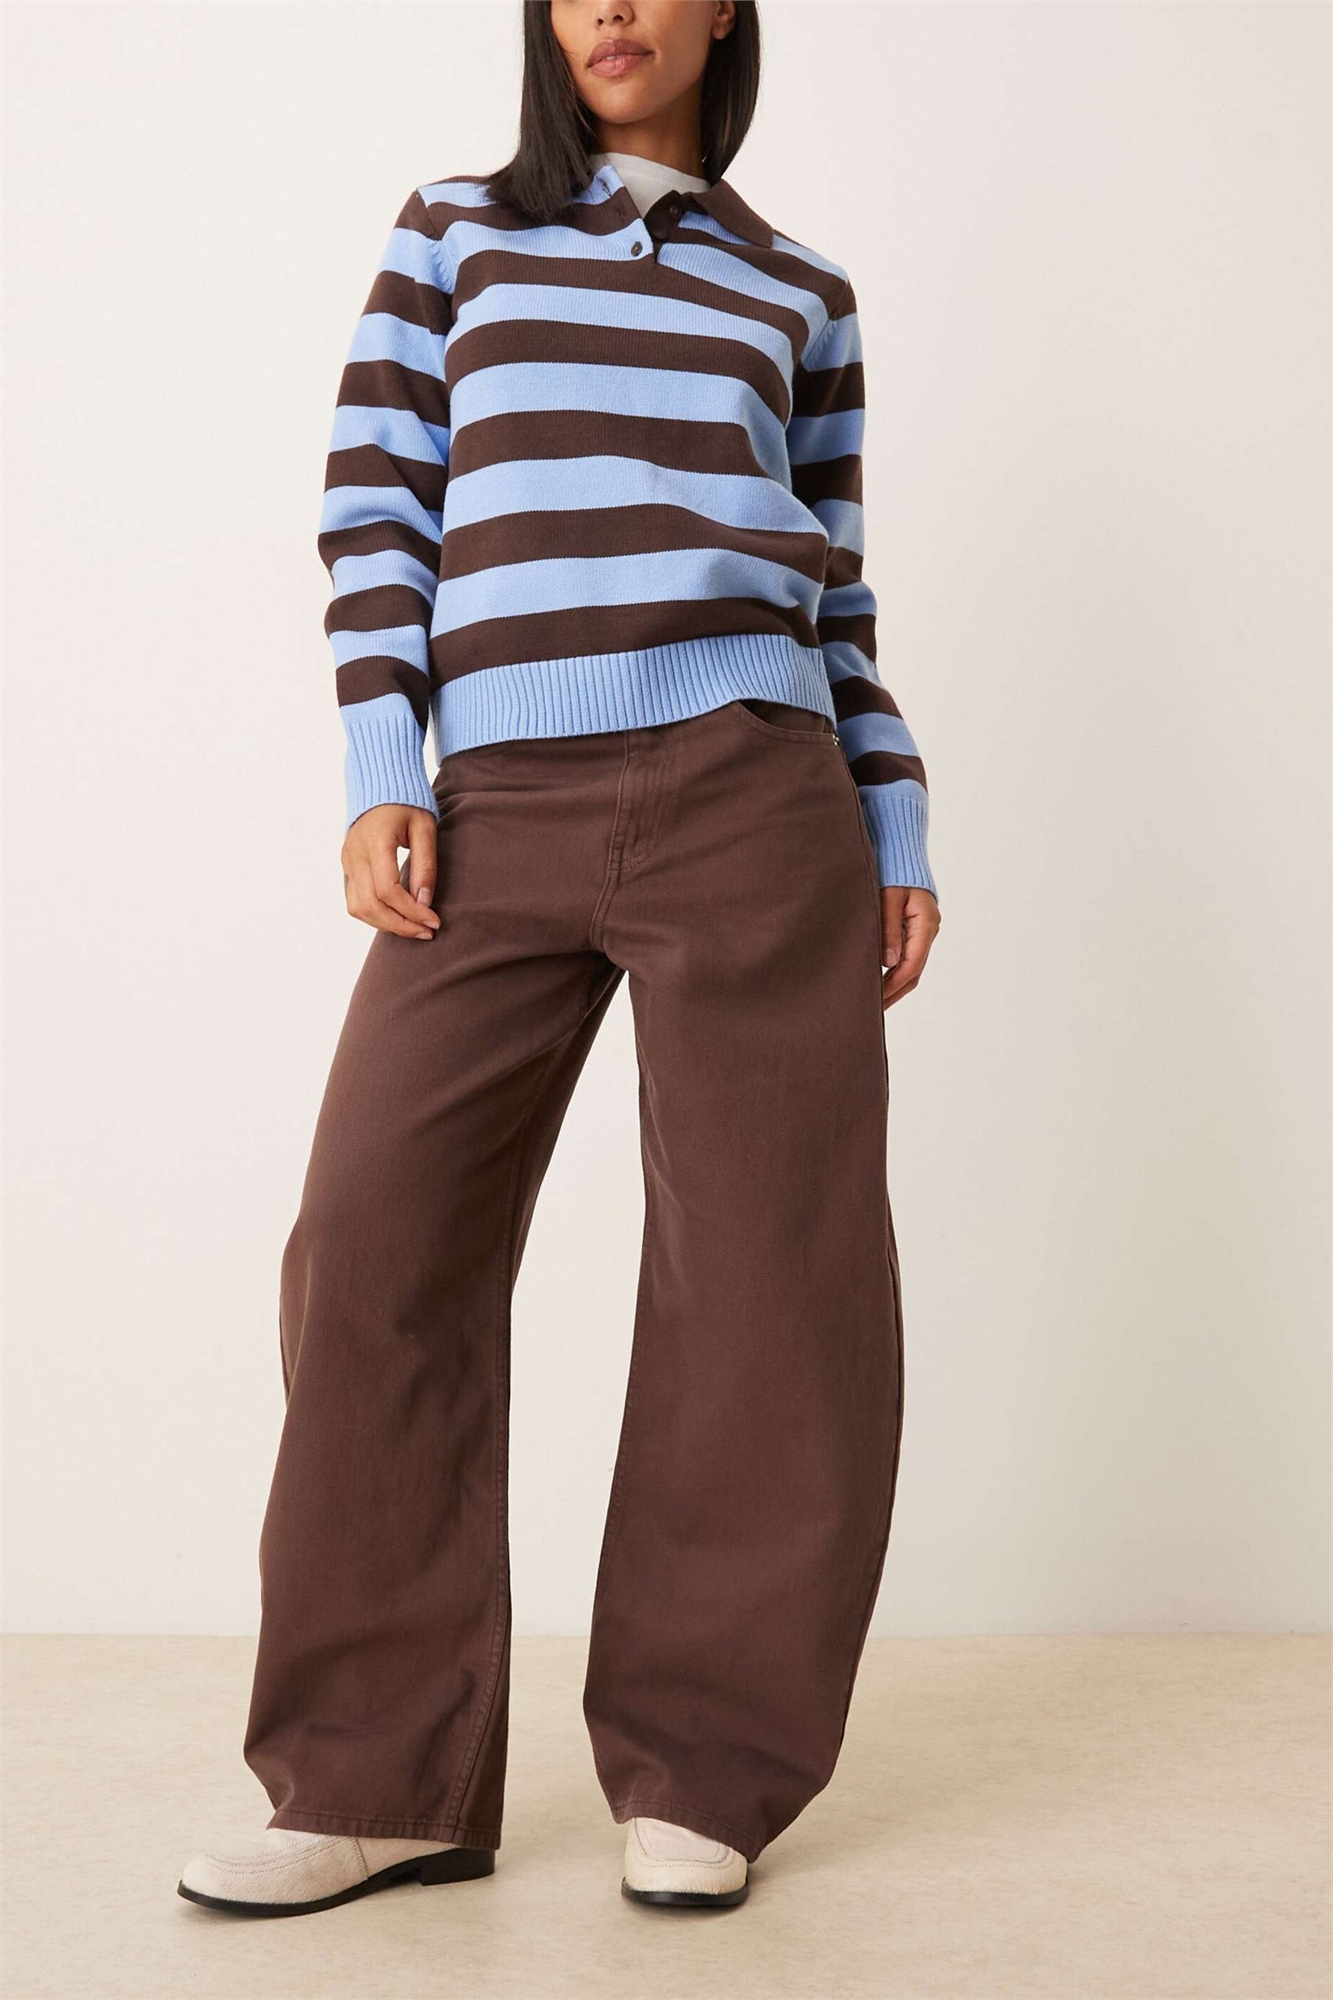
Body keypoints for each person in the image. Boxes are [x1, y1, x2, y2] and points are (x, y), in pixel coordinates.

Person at [178, 0, 939, 1920]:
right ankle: (375, 1777)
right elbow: (378, 505)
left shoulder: (800, 287)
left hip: (758, 794)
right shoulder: (454, 230)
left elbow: (835, 587)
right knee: (375, 1237)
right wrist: (383, 764)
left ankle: (707, 1769)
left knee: (769, 1279)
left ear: (722, 11)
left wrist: (892, 820)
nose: (610, 7)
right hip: (495, 794)